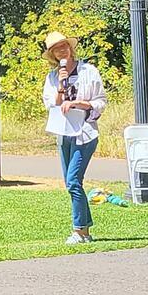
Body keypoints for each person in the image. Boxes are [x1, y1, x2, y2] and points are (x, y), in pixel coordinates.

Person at [42, 30, 107, 245]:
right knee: (73, 183)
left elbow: (100, 102)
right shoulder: (52, 77)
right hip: (64, 134)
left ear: (70, 48)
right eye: (56, 48)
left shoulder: (88, 71)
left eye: (64, 45)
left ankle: (79, 231)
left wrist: (79, 104)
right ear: (52, 54)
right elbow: (52, 103)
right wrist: (61, 86)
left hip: (85, 134)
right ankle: (86, 231)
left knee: (72, 182)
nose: (62, 50)